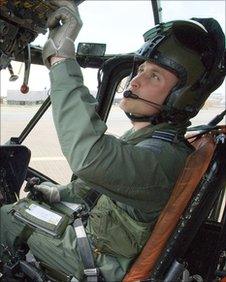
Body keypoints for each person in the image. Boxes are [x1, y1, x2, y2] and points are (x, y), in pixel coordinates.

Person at [0, 1, 225, 281]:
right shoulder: (149, 140)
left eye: (154, 76)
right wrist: (62, 193)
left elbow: (90, 156)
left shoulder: (164, 158)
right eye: (140, 70)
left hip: (99, 261)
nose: (135, 82)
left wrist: (61, 62)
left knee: (4, 218)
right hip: (93, 239)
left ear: (181, 96)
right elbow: (101, 185)